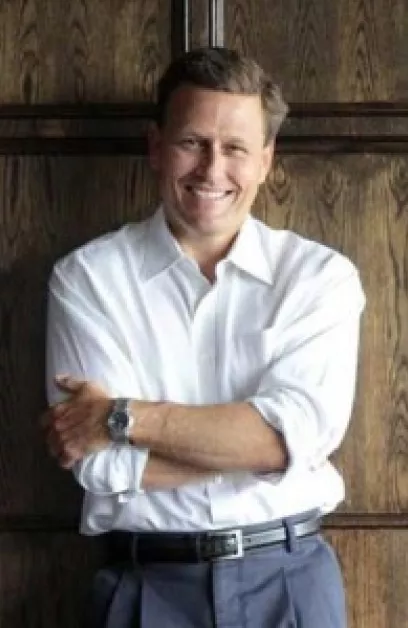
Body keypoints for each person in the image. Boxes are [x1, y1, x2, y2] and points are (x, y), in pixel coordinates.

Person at [42, 47, 365, 627]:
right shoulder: (87, 278)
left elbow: (291, 437)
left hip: (289, 582)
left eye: (235, 148)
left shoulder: (320, 278)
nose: (212, 170)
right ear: (156, 147)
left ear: (265, 160)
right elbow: (99, 469)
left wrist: (119, 418)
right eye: (193, 142)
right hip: (148, 589)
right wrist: (258, 449)